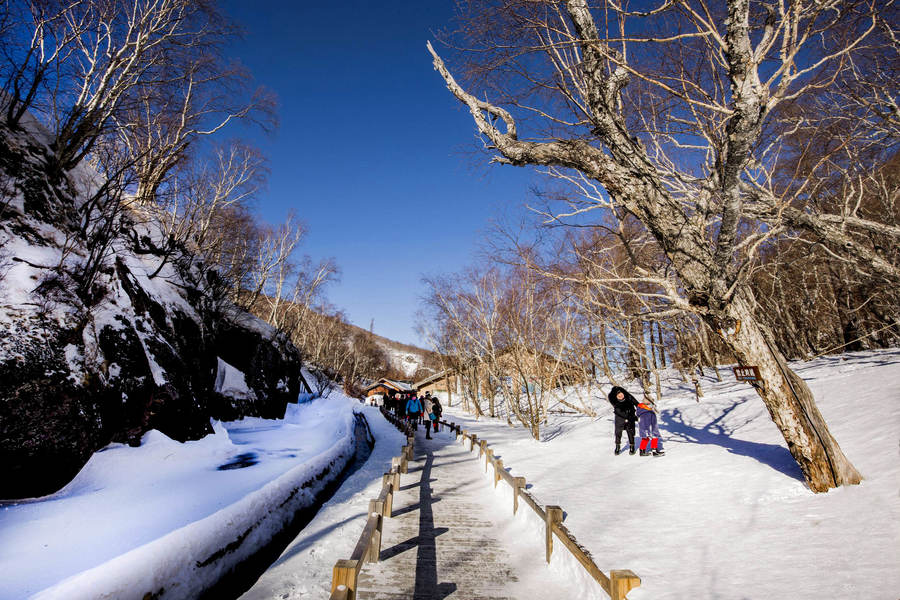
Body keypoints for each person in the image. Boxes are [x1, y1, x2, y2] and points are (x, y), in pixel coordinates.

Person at [607, 386, 638, 455]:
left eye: (621, 394)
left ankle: (632, 446)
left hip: (630, 419)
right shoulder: (616, 404)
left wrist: (640, 407)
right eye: (618, 395)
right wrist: (634, 418)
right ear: (616, 396)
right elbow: (621, 413)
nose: (620, 395)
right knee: (618, 433)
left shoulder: (628, 399)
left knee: (630, 431)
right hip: (620, 419)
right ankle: (617, 446)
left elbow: (635, 401)